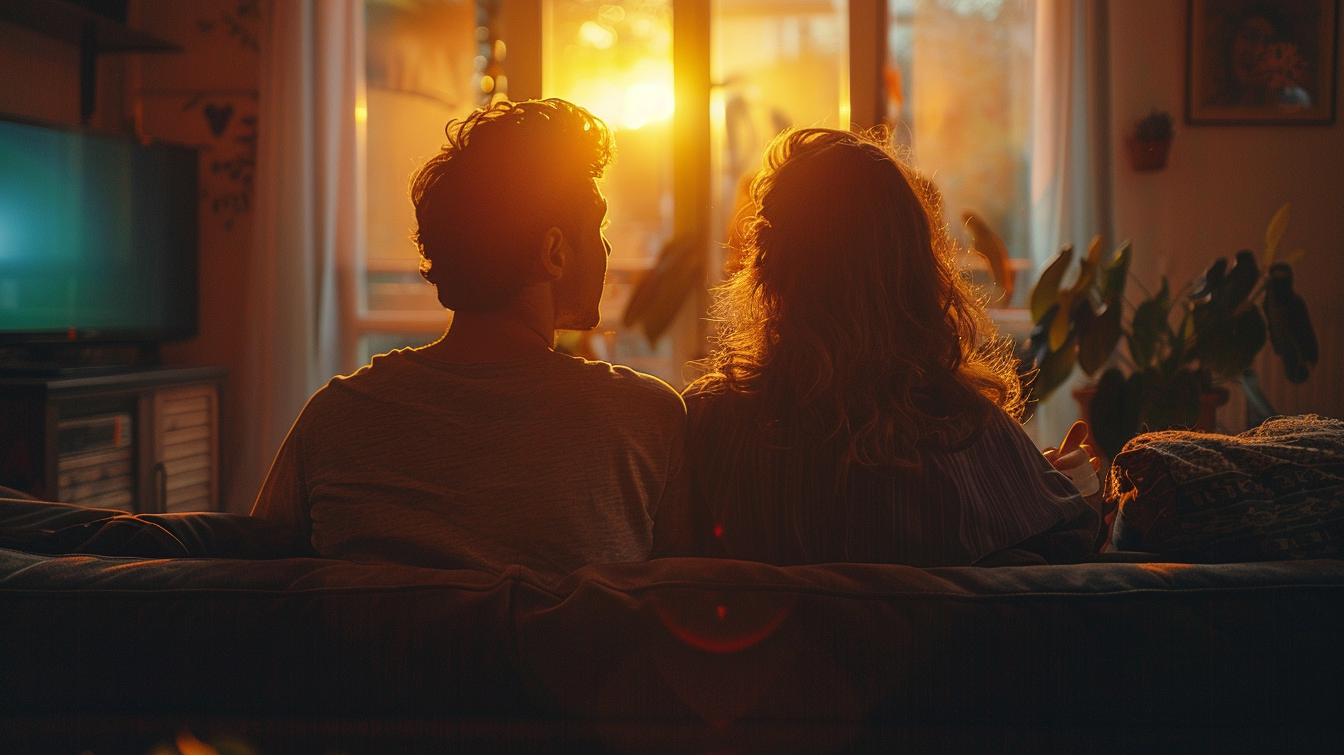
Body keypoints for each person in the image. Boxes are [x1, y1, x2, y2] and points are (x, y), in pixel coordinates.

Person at [252, 98, 691, 576]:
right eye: (599, 227)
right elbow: (688, 598)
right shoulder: (644, 419)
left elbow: (257, 579)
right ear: (554, 252)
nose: (606, 248)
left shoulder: (333, 417)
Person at [683, 128, 1100, 567]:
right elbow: (1066, 554)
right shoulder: (966, 430)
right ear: (918, 273)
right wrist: (1066, 490)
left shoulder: (709, 424)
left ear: (768, 267)